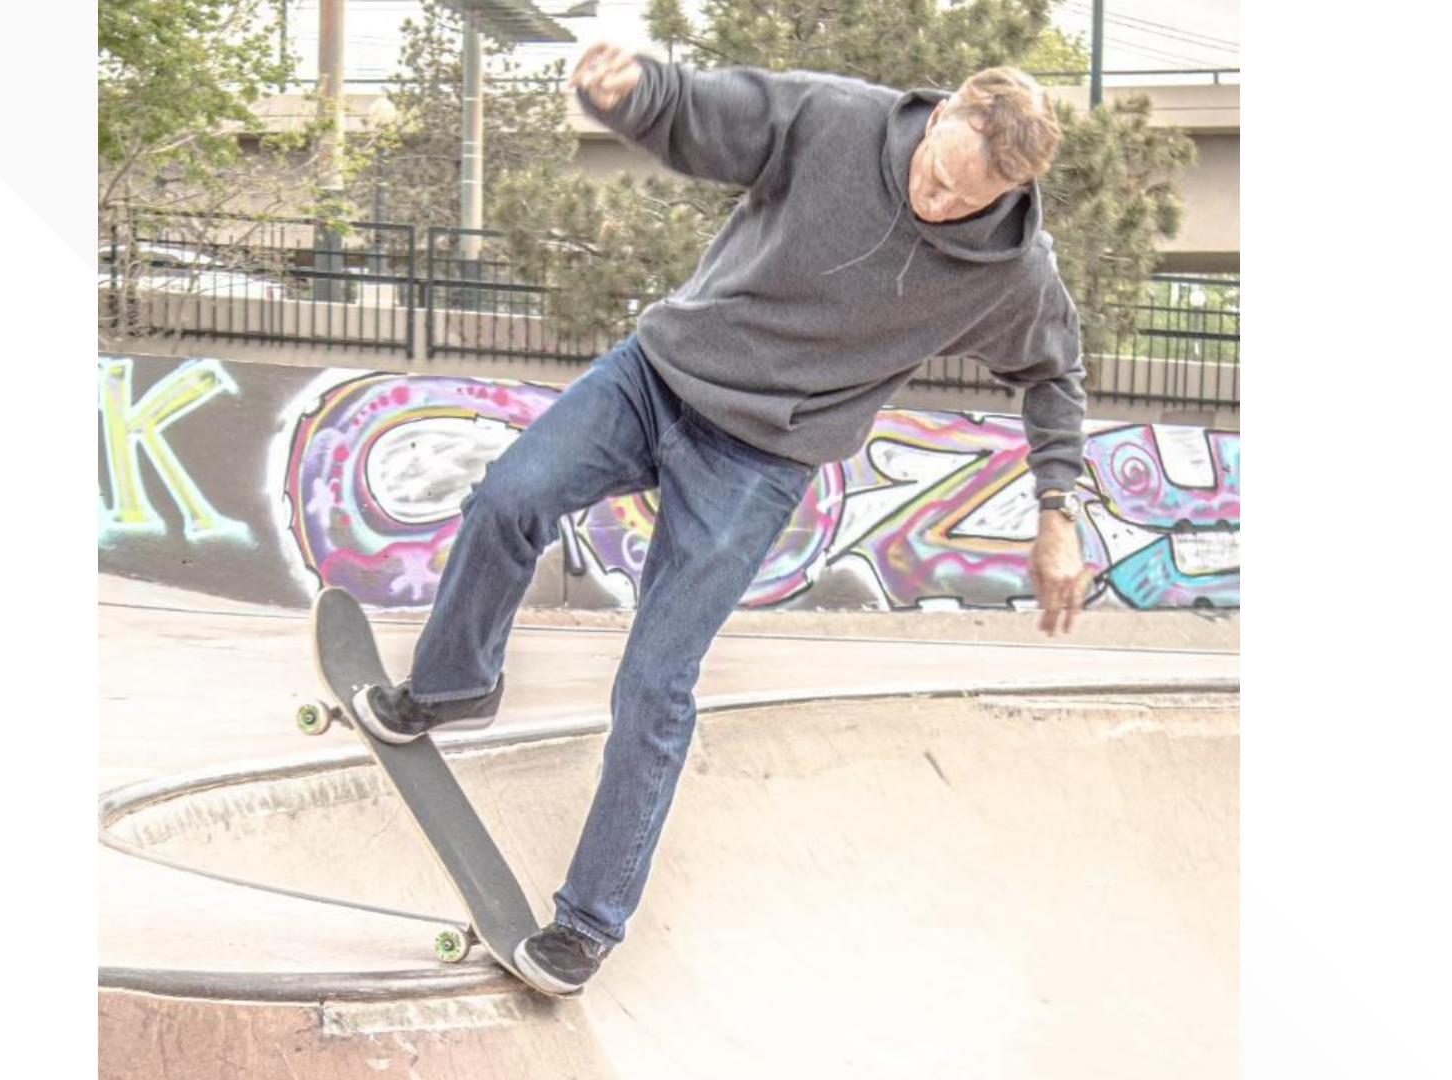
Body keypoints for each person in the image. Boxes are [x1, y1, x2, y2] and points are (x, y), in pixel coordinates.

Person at [348, 42, 1092, 997]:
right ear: (939, 114)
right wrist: (634, 94)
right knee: (507, 499)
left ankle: (587, 924)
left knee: (657, 679)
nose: (938, 206)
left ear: (1009, 195)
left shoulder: (1011, 273)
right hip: (656, 378)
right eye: (938, 178)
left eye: (967, 201)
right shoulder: (836, 118)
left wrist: (1057, 509)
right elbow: (707, 115)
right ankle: (453, 686)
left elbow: (1053, 376)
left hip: (761, 456)